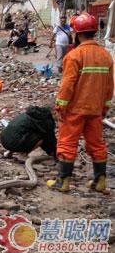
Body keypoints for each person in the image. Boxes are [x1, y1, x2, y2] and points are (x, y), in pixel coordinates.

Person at [47, 13, 114, 193]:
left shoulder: (75, 56)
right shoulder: (105, 55)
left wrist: (60, 105)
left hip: (75, 109)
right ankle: (99, 181)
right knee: (97, 144)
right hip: (95, 109)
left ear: (76, 33)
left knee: (67, 143)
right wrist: (105, 107)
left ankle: (63, 181)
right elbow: (109, 87)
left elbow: (68, 84)